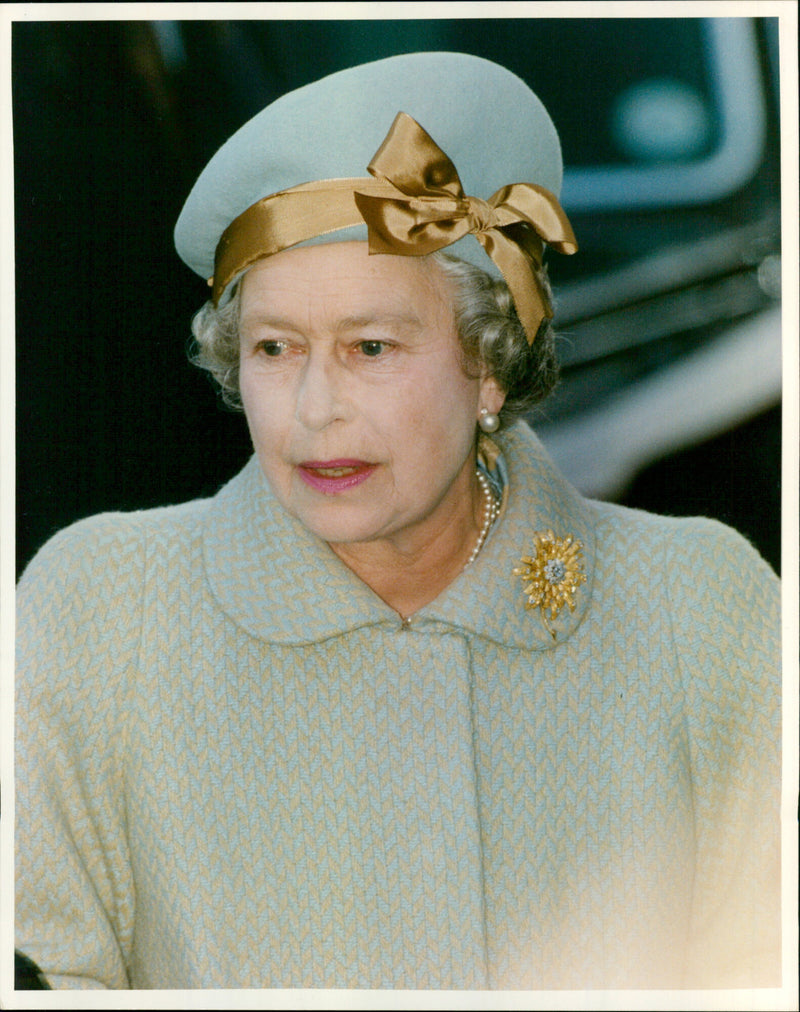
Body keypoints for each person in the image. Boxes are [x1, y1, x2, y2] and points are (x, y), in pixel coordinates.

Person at [15, 51, 781, 991]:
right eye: (273, 348)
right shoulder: (98, 607)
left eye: (370, 346)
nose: (314, 406)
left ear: (491, 363)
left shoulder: (701, 603)